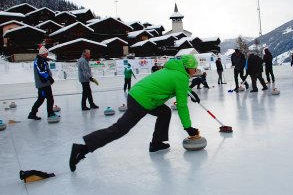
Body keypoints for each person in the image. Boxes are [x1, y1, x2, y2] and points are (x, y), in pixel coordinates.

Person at [69, 55, 201, 172]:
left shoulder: (173, 69)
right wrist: (188, 127)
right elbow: (182, 105)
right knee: (120, 129)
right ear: (187, 68)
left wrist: (189, 90)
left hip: (142, 96)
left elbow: (174, 83)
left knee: (165, 112)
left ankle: (156, 143)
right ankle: (82, 148)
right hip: (141, 100)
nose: (195, 71)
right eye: (194, 68)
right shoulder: (181, 76)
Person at [28, 46, 59, 121]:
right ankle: (48, 113)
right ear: (43, 53)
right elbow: (41, 71)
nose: (47, 54)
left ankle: (33, 113)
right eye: (46, 53)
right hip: (43, 84)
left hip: (44, 84)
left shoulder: (42, 60)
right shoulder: (39, 61)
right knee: (47, 98)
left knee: (43, 99)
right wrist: (49, 78)